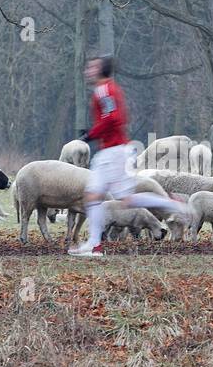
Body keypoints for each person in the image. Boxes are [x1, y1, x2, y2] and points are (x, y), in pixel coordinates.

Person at [69, 56, 190, 257]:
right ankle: (174, 204)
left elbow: (113, 117)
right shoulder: (109, 89)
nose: (87, 71)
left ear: (101, 70)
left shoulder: (104, 90)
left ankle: (94, 245)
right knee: (121, 199)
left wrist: (91, 134)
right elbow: (116, 117)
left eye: (92, 67)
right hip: (115, 149)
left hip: (112, 151)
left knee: (98, 197)